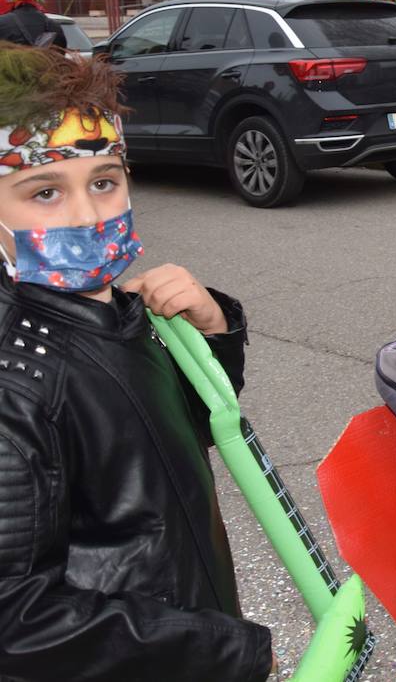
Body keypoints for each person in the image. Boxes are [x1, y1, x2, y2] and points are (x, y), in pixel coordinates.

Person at [0, 43, 272, 680]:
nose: (90, 214)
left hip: (184, 617)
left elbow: (184, 430)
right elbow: (15, 618)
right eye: (43, 192)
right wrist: (217, 649)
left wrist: (215, 332)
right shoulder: (15, 381)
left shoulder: (122, 311)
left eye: (104, 181)